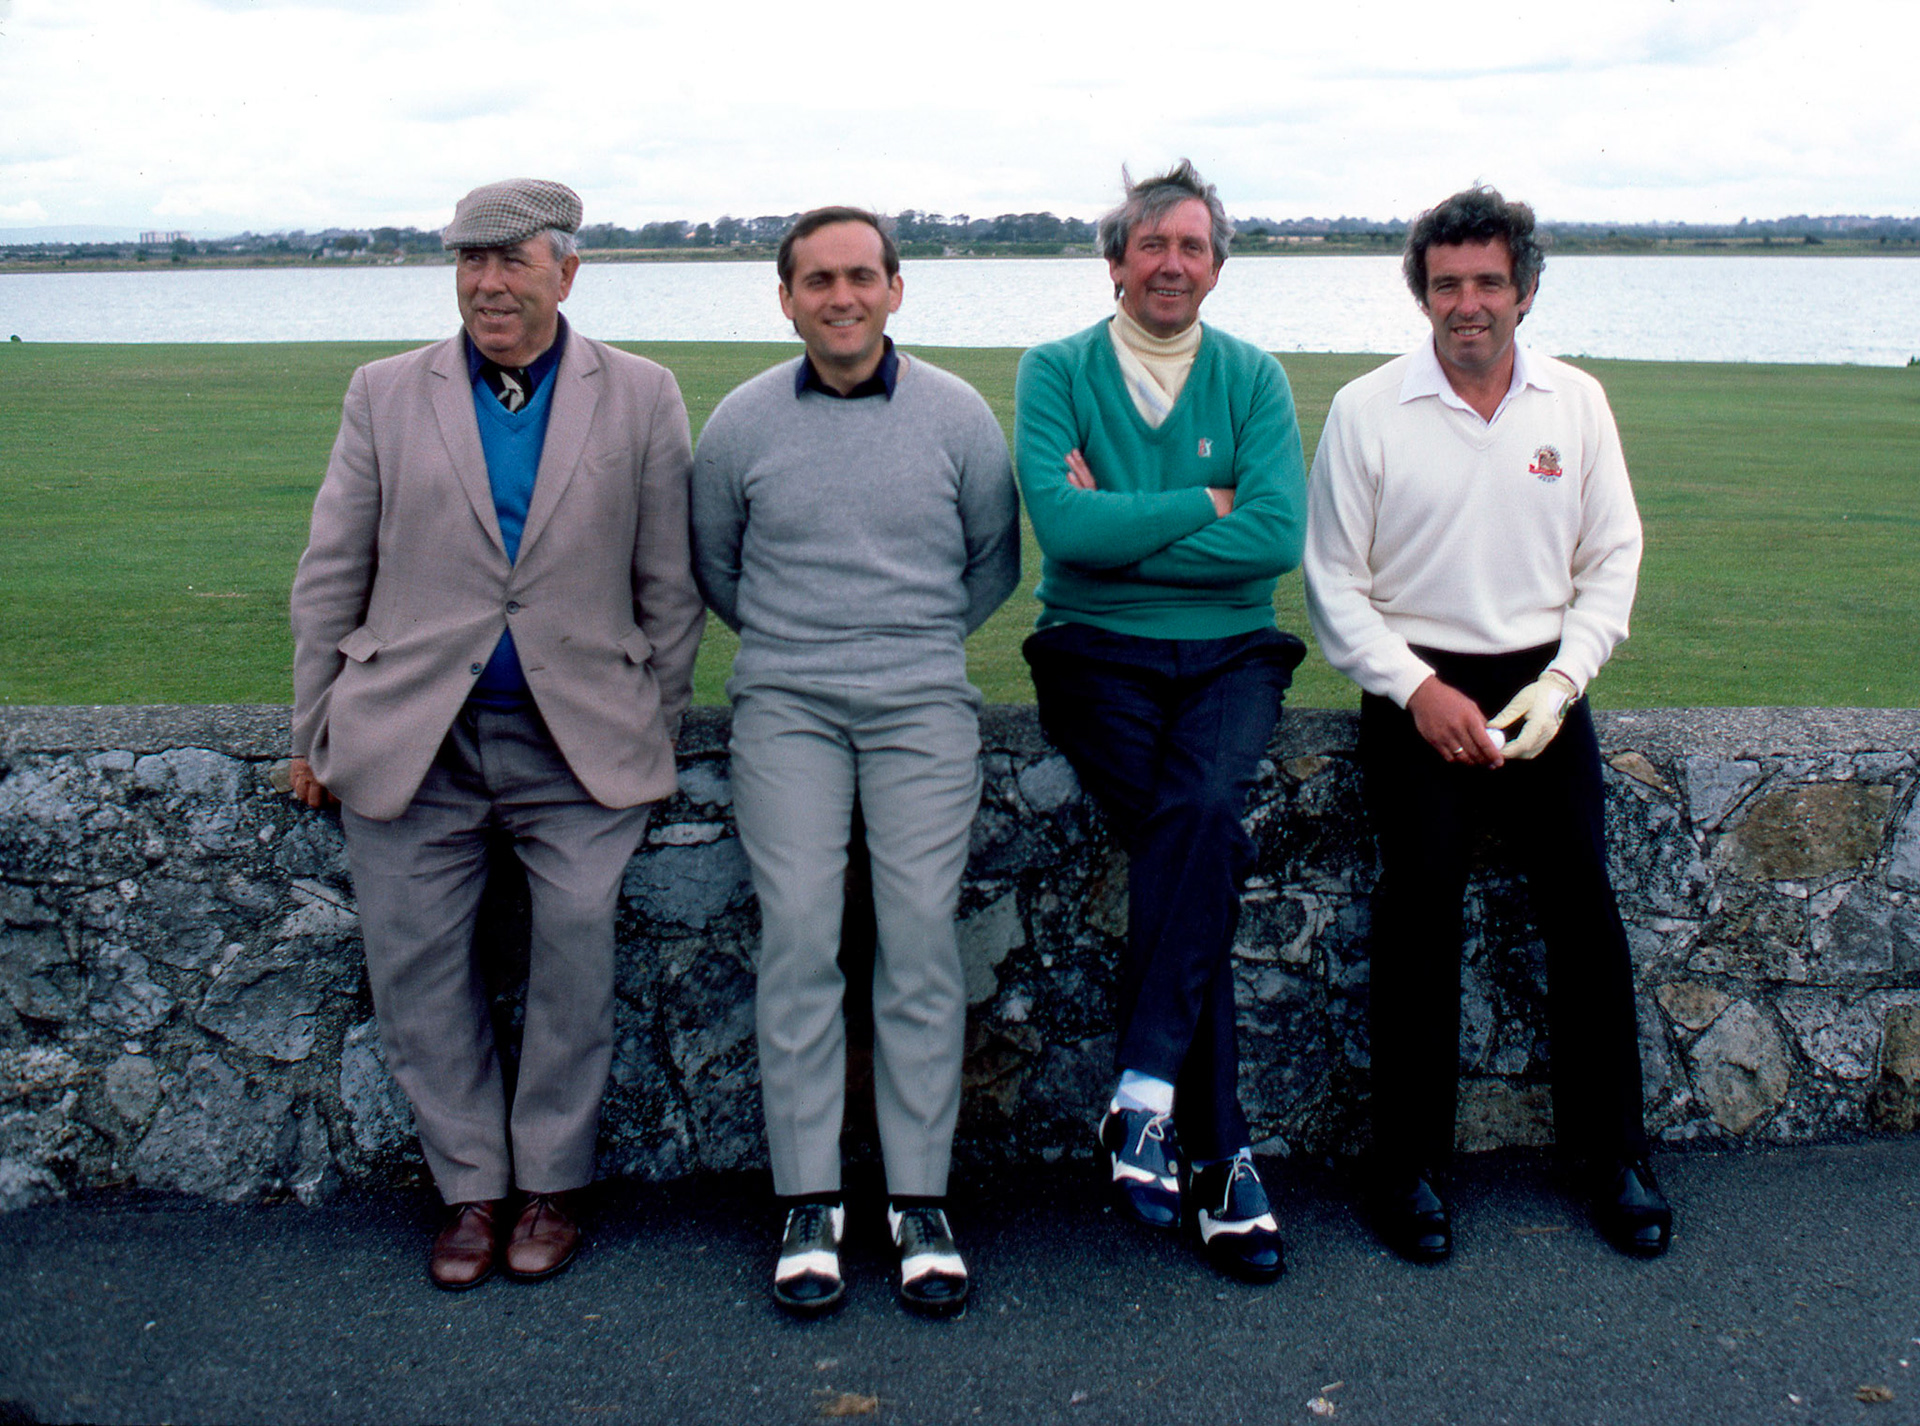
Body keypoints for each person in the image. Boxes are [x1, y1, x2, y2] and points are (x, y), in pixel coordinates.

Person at [288, 177, 704, 1289]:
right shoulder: (384, 392)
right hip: (411, 739)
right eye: (469, 262)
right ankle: (471, 1193)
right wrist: (312, 725)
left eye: (510, 261)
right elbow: (332, 571)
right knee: (417, 967)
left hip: (580, 748)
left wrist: (650, 727)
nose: (486, 285)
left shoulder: (645, 395)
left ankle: (553, 1188)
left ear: (567, 272)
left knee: (575, 950)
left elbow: (670, 587)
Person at [1302, 184, 1671, 1262]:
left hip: (1542, 683)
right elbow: (1334, 583)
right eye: (1449, 283)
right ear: (1423, 292)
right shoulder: (1369, 409)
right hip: (1416, 683)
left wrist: (1563, 684)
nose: (1470, 303)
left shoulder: (1578, 403)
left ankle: (1615, 1157)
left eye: (1490, 282)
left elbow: (1612, 560)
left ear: (1527, 290)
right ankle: (1406, 1167)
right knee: (1419, 916)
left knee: (1585, 915)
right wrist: (1416, 689)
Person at [691, 206, 1020, 1318]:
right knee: (797, 932)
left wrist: (904, 647)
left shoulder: (958, 416)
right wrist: (806, 650)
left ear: (895, 289)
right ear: (785, 298)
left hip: (922, 702)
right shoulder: (739, 424)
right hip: (785, 703)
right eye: (818, 279)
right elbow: (716, 568)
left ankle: (919, 1202)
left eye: (862, 277)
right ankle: (809, 1202)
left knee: (920, 933)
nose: (842, 296)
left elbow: (991, 561)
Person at [1013, 160, 1306, 1283]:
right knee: (1201, 849)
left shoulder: (1252, 377)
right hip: (1094, 654)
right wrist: (1204, 502)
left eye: (1192, 247)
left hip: (1234, 653)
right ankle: (1224, 1158)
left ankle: (1144, 1100)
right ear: (1116, 260)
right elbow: (1067, 538)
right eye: (1152, 245)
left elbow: (1276, 536)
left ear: (1218, 267)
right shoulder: (1057, 370)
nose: (1171, 264)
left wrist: (1124, 516)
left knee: (1197, 814)